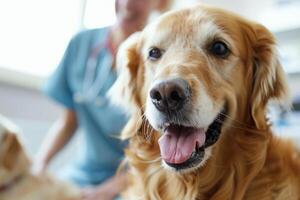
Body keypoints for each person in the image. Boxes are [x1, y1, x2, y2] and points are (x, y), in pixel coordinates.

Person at [34, 0, 172, 199]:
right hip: (84, 172)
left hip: (135, 178)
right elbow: (68, 123)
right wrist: (39, 164)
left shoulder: (160, 65)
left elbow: (156, 154)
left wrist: (102, 193)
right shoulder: (81, 44)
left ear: (160, 3)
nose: (128, 4)